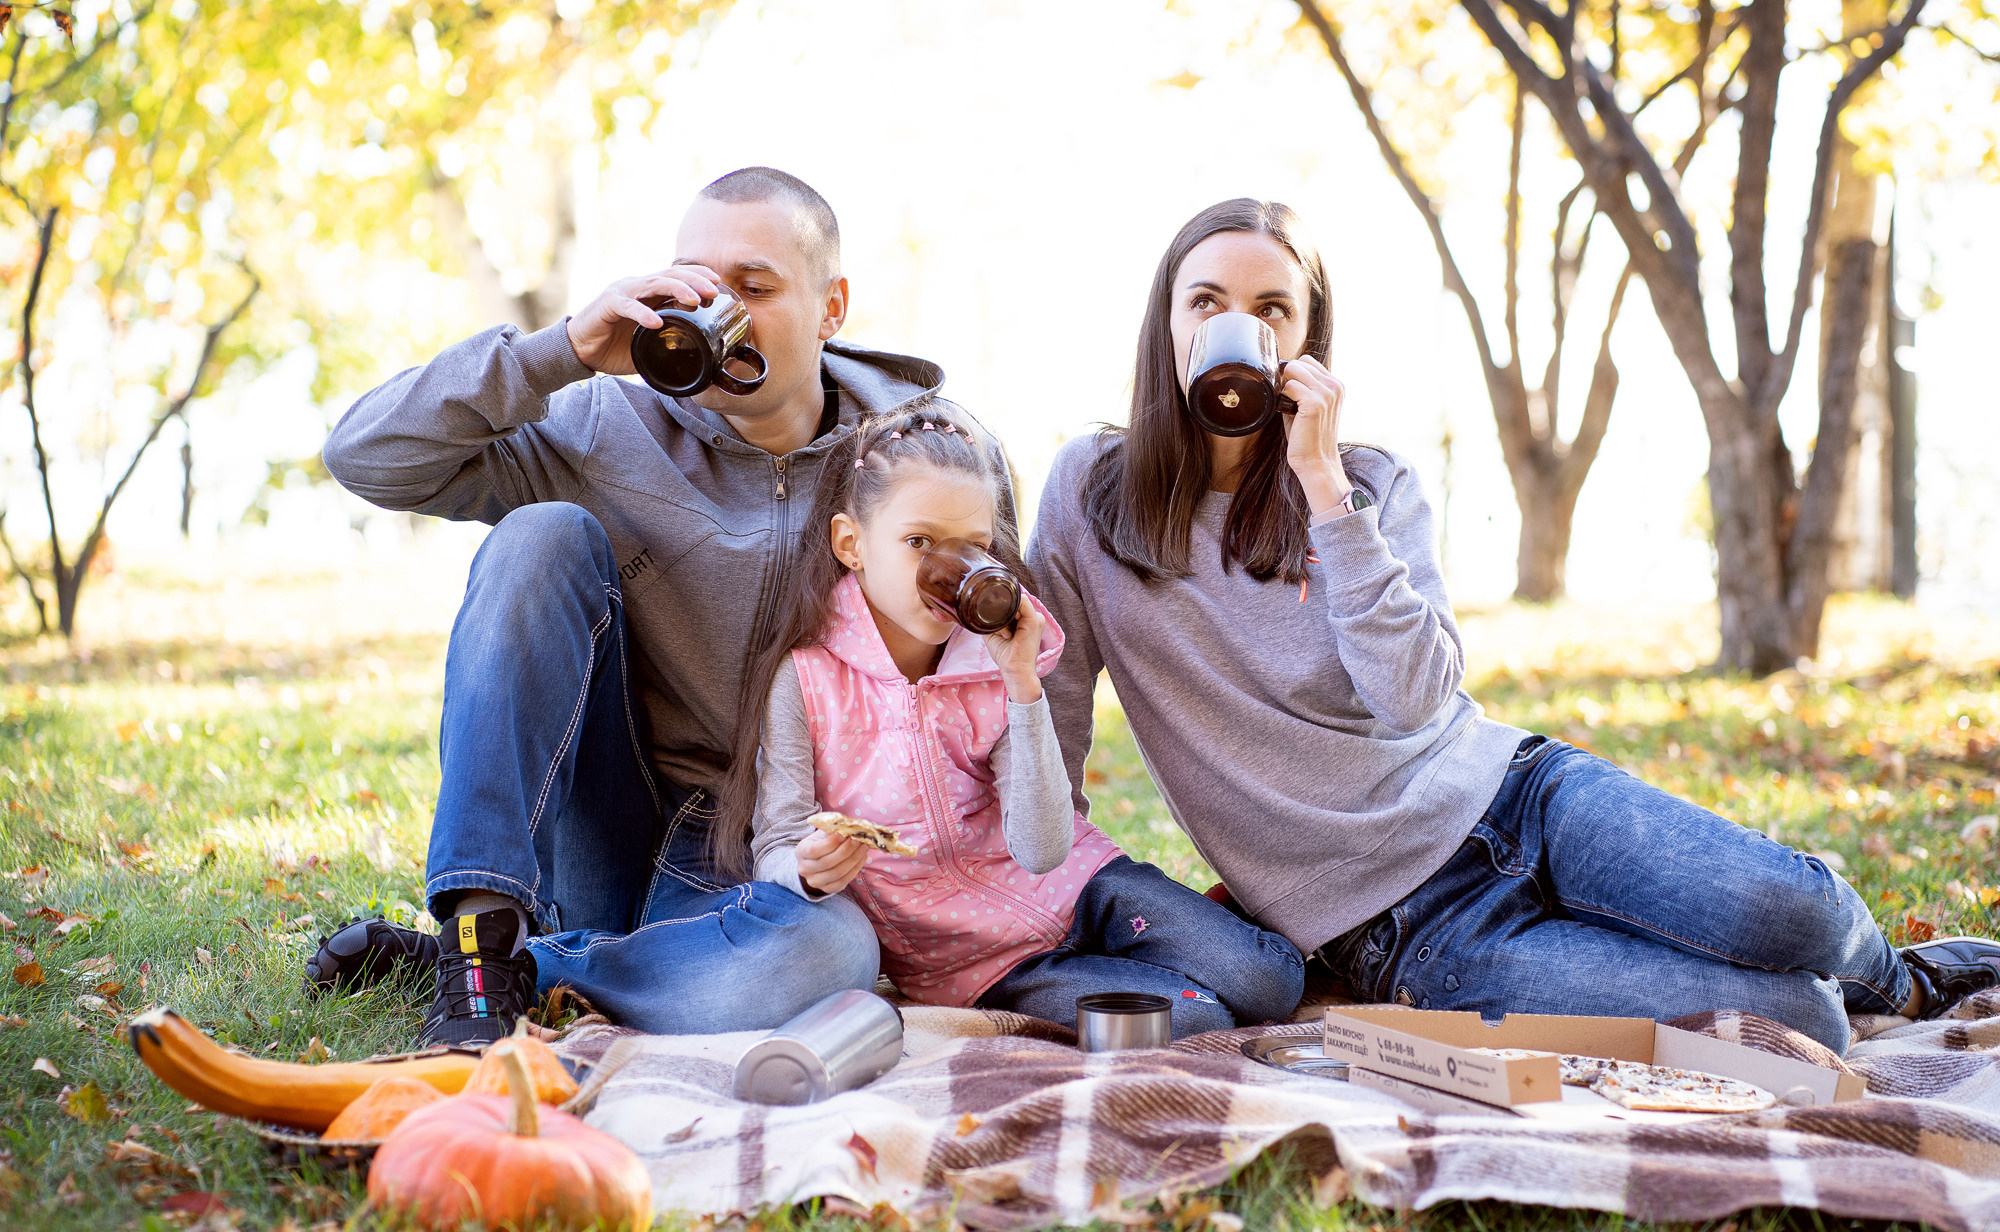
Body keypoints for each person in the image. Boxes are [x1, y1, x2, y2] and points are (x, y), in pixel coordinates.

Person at [1026, 197, 2000, 1057]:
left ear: (1305, 340)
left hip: (1515, 795)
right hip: (1407, 930)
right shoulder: (1088, 496)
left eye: (1270, 308)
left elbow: (1414, 700)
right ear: (1166, 325)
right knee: (1803, 1021)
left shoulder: (1365, 485)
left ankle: (1900, 978)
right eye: (1205, 302)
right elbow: (1049, 744)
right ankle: (1859, 990)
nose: (1235, 325)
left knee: (1794, 908)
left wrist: (1322, 488)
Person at [304, 168, 951, 1044]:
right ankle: (481, 931)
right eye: (700, 284)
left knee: (832, 956)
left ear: (832, 305)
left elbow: (988, 677)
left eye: (755, 289)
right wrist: (563, 349)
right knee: (539, 537)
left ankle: (515, 968)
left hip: (771, 852)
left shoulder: (923, 465)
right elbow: (364, 457)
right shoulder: (605, 421)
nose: (723, 312)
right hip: (605, 823)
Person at [705, 403, 1304, 1036]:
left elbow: (1043, 849)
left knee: (1271, 984)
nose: (949, 570)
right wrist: (803, 869)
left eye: (974, 548)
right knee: (1190, 1019)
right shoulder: (806, 679)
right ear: (851, 544)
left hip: (1080, 887)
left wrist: (1021, 684)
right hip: (981, 964)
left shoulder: (989, 659)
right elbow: (775, 839)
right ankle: (1156, 963)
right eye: (919, 543)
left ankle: (1184, 936)